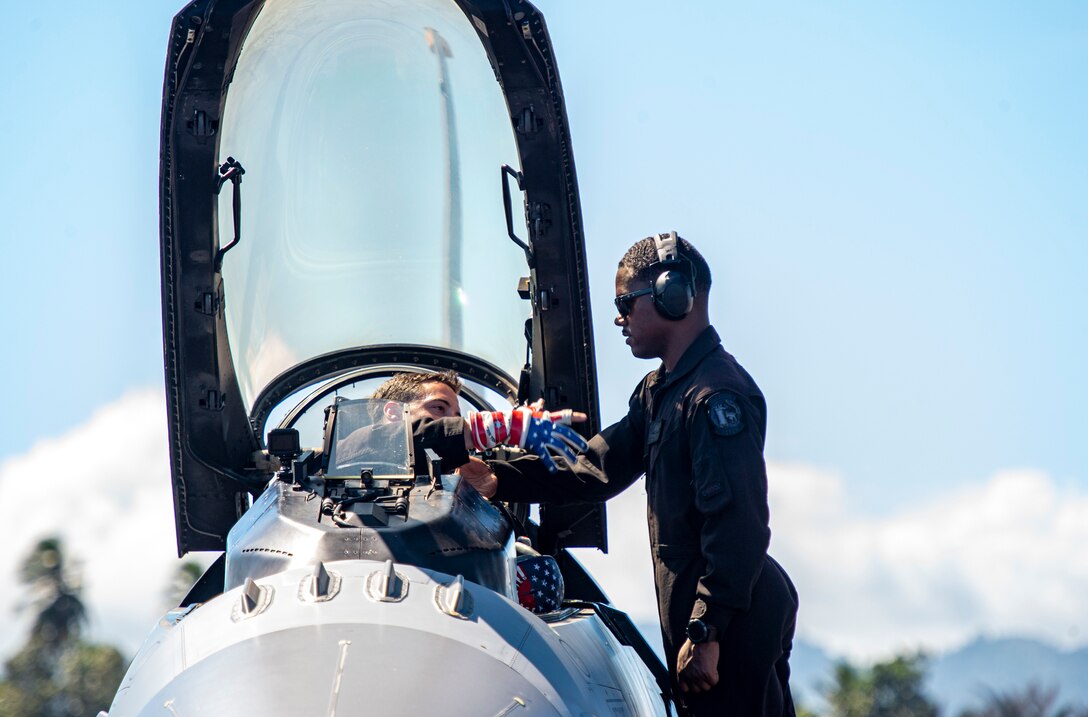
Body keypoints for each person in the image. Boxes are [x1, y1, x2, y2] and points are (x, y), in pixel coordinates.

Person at [453, 232, 798, 716]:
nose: (619, 318)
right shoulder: (661, 391)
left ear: (672, 295)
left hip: (735, 619)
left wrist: (706, 630)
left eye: (625, 302)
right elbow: (596, 467)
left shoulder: (716, 396)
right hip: (717, 614)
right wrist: (497, 478)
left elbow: (738, 525)